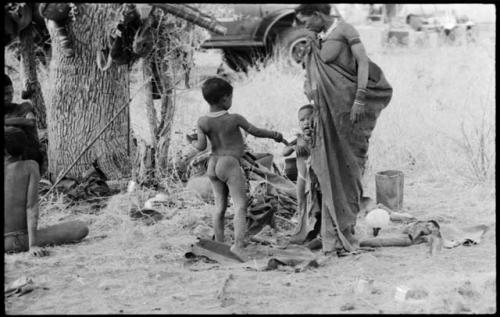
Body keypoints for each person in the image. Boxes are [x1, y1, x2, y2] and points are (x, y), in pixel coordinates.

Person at [294, 4, 393, 254]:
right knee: (327, 173)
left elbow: (362, 63)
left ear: (318, 15)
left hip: (349, 112)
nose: (304, 26)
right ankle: (330, 241)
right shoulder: (316, 38)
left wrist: (360, 98)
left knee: (349, 173)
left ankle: (345, 233)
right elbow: (311, 73)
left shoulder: (346, 29)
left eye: (306, 21)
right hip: (326, 115)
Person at [188, 77, 285, 258]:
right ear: (225, 99)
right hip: (229, 163)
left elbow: (201, 147)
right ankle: (238, 246)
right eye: (231, 97)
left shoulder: (202, 121)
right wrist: (275, 135)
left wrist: (192, 141)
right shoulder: (234, 119)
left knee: (219, 207)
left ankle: (218, 243)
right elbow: (255, 131)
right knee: (240, 206)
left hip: (213, 163)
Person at [4, 127, 89, 256]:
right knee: (80, 227)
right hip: (20, 240)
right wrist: (33, 245)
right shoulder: (30, 166)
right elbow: (31, 207)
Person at [282, 104, 322, 248]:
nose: (305, 122)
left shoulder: (319, 136)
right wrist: (294, 147)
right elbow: (284, 152)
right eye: (302, 119)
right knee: (302, 205)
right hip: (301, 178)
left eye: (309, 118)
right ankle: (301, 232)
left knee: (317, 205)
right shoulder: (298, 137)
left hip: (316, 180)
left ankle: (316, 232)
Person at [4, 73, 45, 175]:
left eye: (9, 93)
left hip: (28, 161)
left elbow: (31, 121)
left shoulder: (23, 107)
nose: (6, 98)